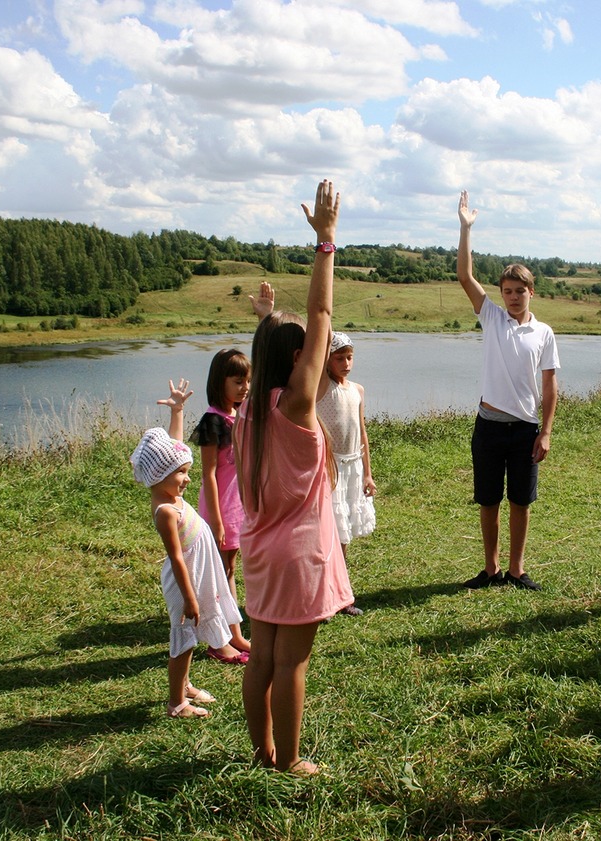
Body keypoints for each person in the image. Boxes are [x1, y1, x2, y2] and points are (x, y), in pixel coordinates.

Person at [234, 180, 355, 776]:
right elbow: (322, 315)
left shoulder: (247, 413)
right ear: (297, 357)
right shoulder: (297, 405)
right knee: (291, 665)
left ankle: (262, 753)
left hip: (260, 550)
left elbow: (296, 332)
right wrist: (326, 242)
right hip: (300, 553)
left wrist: (266, 322)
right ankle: (289, 763)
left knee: (262, 658)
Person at [455, 190, 560, 591]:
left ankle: (517, 569)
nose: (513, 298)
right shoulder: (492, 318)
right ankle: (491, 568)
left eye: (520, 291)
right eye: (508, 291)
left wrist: (546, 432)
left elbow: (550, 387)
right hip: (489, 426)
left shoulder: (545, 332)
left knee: (521, 501)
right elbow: (465, 276)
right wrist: (466, 229)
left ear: (532, 292)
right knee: (488, 501)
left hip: (525, 430)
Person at [131, 378, 243, 719]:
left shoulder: (171, 492)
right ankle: (176, 703)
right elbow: (177, 558)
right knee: (183, 640)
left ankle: (185, 685)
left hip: (196, 576)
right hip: (185, 583)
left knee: (192, 638)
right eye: (182, 473)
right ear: (161, 475)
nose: (187, 479)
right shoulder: (166, 510)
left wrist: (177, 411)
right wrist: (191, 597)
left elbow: (175, 446)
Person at [190, 348, 254, 661]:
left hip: (237, 509)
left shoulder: (239, 416)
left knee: (228, 570)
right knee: (217, 575)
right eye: (238, 381)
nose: (245, 387)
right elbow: (209, 475)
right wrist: (215, 520)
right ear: (220, 382)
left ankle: (235, 635)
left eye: (248, 381)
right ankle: (218, 642)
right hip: (220, 510)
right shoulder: (213, 421)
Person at [317, 330, 376, 616]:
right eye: (339, 357)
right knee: (327, 530)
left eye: (349, 357)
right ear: (327, 360)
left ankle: (342, 594)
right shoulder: (321, 388)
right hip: (330, 466)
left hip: (353, 466)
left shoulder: (357, 389)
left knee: (343, 532)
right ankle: (324, 595)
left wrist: (368, 473)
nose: (346, 363)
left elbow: (362, 432)